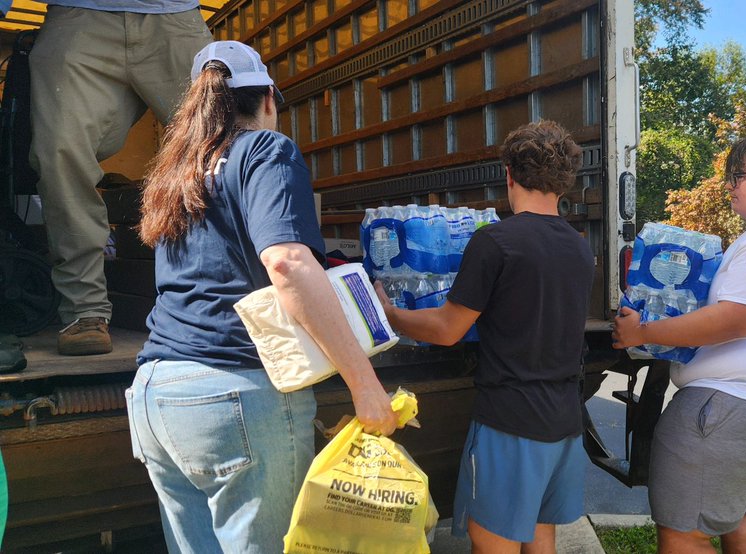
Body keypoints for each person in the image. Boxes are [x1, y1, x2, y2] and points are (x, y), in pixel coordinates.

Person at [126, 41, 397, 553]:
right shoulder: (267, 150)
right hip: (235, 394)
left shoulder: (173, 175)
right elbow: (288, 262)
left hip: (156, 394)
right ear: (269, 98)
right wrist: (364, 383)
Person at [374, 120, 594, 554]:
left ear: (509, 175)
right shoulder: (579, 246)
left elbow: (447, 329)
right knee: (539, 537)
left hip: (510, 422)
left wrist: (389, 313)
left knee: (492, 542)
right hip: (564, 419)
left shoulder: (496, 242)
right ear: (563, 182)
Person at [612, 136, 746, 554]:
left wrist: (645, 332)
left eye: (738, 176)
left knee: (684, 533)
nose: (729, 185)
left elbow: (738, 317)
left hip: (732, 402)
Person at [26, 0, 212, 355]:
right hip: (78, 14)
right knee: (59, 153)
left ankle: (226, 303)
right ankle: (85, 310)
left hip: (174, 17)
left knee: (219, 149)